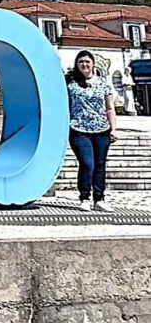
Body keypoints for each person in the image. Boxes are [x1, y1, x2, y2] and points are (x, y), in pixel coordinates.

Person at [66, 50, 117, 212]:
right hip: (78, 129)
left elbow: (110, 107)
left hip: (101, 129)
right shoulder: (71, 83)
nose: (84, 65)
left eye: (87, 62)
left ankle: (99, 198)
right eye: (81, 62)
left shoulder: (103, 83)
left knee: (100, 165)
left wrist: (113, 129)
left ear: (93, 63)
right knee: (87, 163)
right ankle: (85, 197)